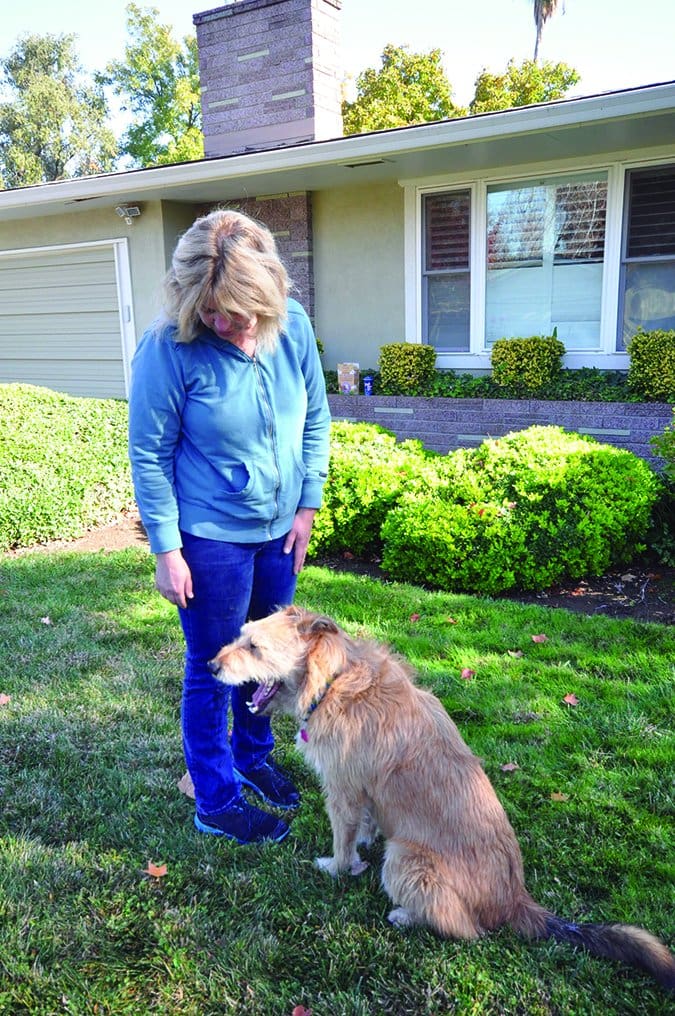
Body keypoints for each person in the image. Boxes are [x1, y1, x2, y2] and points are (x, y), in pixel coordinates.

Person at [128, 208, 331, 845]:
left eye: (241, 313)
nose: (228, 326)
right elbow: (150, 454)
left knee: (267, 662)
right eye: (214, 312)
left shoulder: (292, 327)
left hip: (280, 533)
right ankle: (215, 798)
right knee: (211, 666)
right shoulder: (169, 350)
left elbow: (316, 419)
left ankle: (253, 756)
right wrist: (167, 548)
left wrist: (307, 504)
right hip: (210, 538)